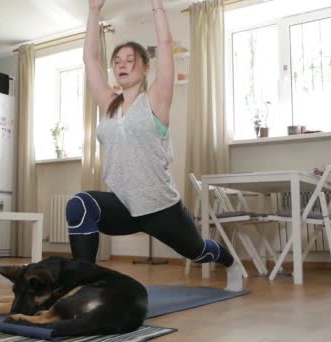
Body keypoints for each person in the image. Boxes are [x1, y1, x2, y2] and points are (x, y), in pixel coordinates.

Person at [66, 0, 243, 291]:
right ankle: (83, 287)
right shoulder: (109, 104)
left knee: (197, 251)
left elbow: (165, 42)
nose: (121, 65)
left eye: (129, 59)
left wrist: (157, 6)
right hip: (124, 204)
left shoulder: (157, 100)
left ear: (146, 67)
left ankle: (231, 263)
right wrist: (94, 10)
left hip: (160, 206)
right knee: (80, 204)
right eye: (117, 61)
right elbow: (89, 58)